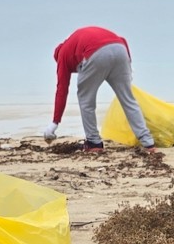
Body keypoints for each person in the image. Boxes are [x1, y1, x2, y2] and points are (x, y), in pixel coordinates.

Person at [45, 26, 157, 154]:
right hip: (120, 49)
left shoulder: (62, 56)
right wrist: (129, 64)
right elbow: (122, 40)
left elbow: (62, 90)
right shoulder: (73, 42)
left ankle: (94, 143)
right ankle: (148, 143)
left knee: (86, 100)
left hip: (95, 53)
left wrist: (55, 122)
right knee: (128, 100)